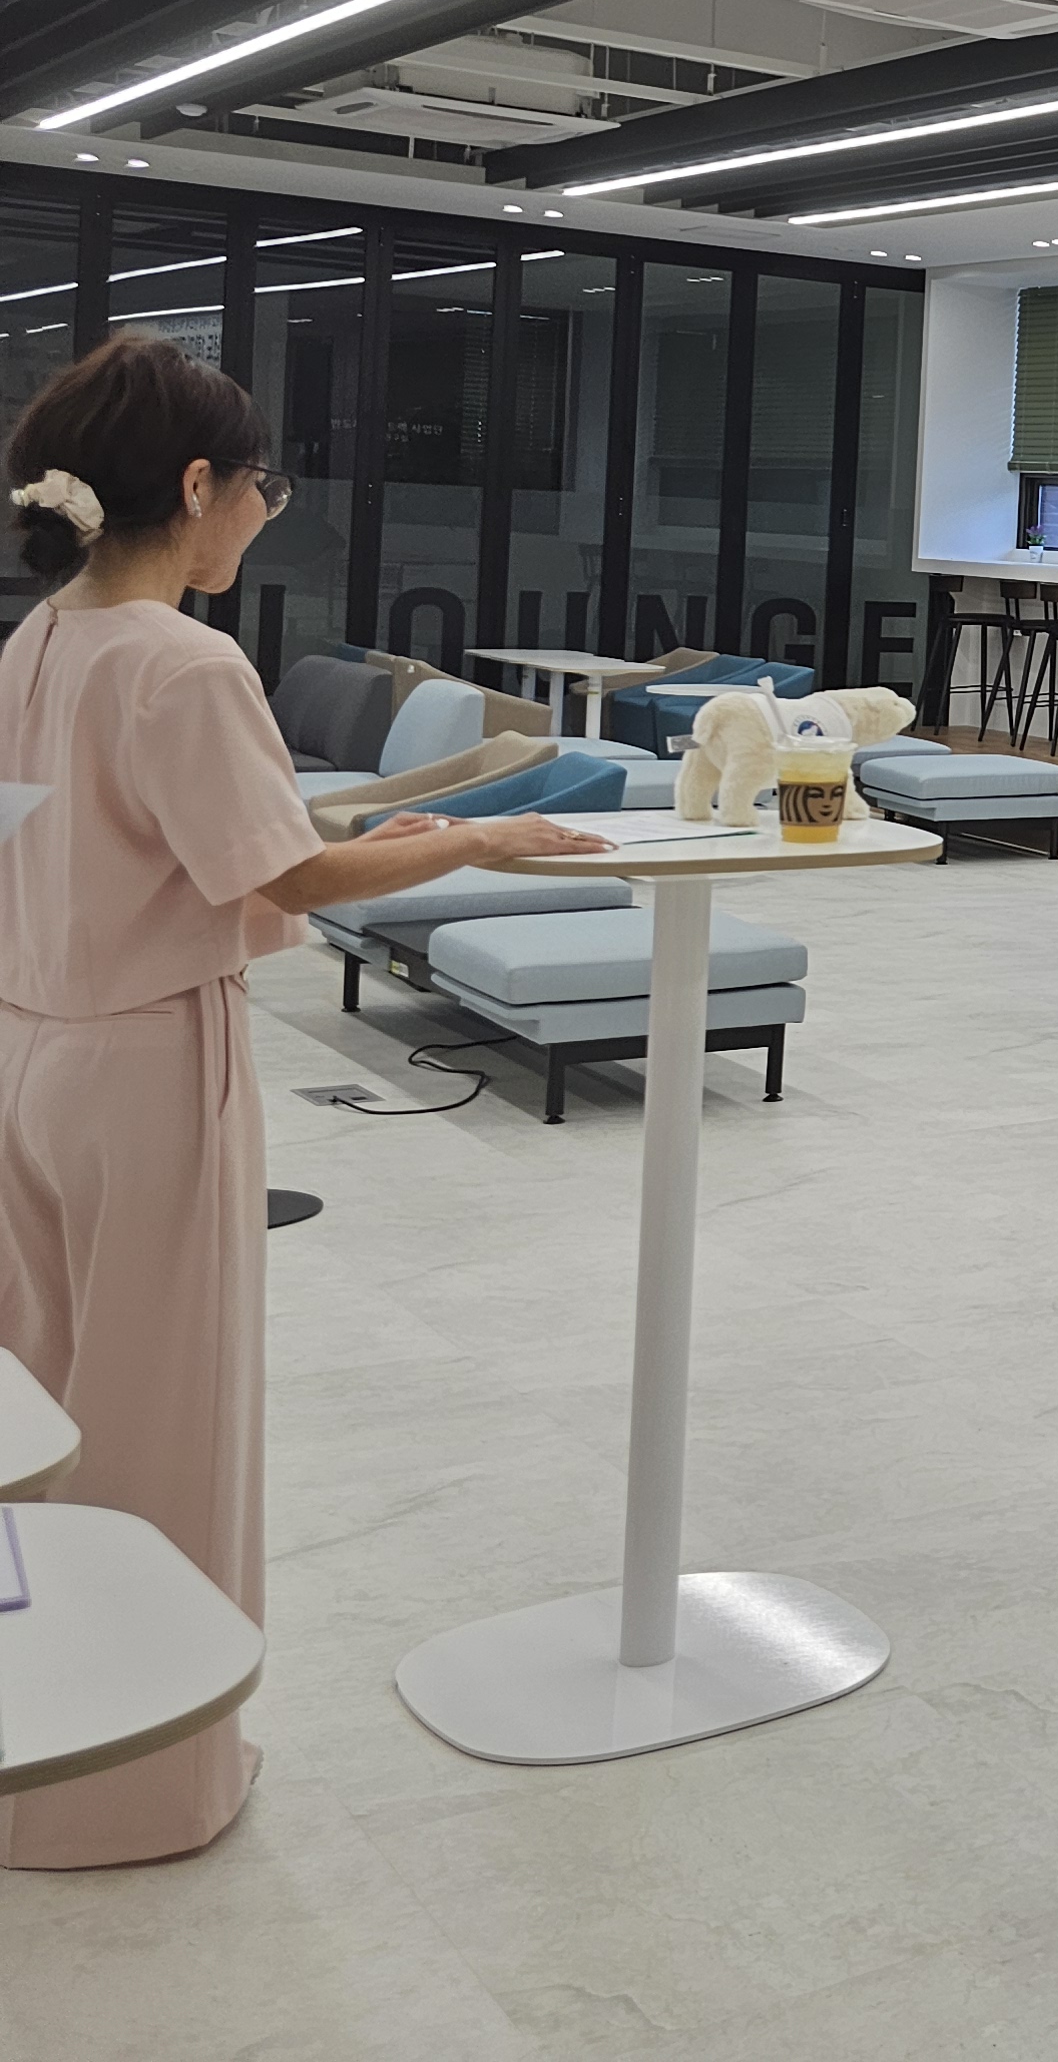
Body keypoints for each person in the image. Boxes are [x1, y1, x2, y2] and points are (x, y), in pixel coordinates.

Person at [0, 335, 611, 1870]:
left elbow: (187, 847)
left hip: (28, 1052)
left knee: (50, 1407)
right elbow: (283, 878)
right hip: (147, 1063)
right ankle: (135, 1785)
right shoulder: (182, 660)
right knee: (163, 1417)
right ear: (199, 483)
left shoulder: (39, 643)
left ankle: (36, 1747)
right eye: (261, 489)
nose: (264, 516)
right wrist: (476, 840)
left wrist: (377, 836)